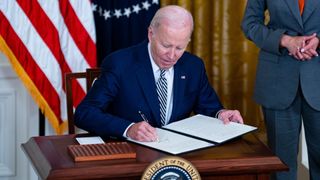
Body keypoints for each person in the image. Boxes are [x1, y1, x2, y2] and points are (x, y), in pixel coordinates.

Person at [75, 5, 243, 142]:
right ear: (151, 34)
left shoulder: (193, 66)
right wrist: (128, 129)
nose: (171, 56)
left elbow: (209, 107)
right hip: (130, 154)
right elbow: (85, 113)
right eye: (165, 45)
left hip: (179, 154)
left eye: (179, 48)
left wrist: (221, 114)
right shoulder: (120, 64)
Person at [241, 0, 320, 179]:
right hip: (277, 81)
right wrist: (285, 40)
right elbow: (250, 23)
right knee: (281, 165)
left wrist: (318, 40)